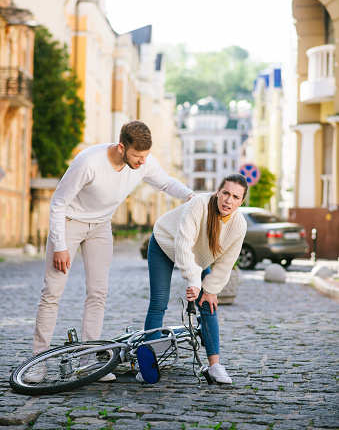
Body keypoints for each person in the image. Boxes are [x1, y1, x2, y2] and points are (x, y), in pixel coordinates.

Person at [27, 120, 195, 383]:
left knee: (98, 293)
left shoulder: (144, 162)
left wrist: (190, 196)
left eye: (145, 156)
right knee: (52, 293)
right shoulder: (88, 162)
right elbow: (58, 202)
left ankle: (88, 360)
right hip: (70, 224)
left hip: (101, 227)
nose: (142, 162)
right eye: (137, 156)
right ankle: (37, 362)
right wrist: (59, 245)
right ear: (121, 147)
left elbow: (165, 183)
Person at [143, 173, 248, 384]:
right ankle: (149, 364)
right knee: (159, 302)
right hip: (165, 243)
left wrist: (208, 289)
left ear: (241, 201)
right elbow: (183, 244)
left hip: (198, 257)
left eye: (236, 197)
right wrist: (193, 281)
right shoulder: (199, 204)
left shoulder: (239, 225)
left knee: (208, 304)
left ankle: (215, 366)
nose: (229, 200)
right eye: (226, 193)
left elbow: (226, 263)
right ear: (217, 192)